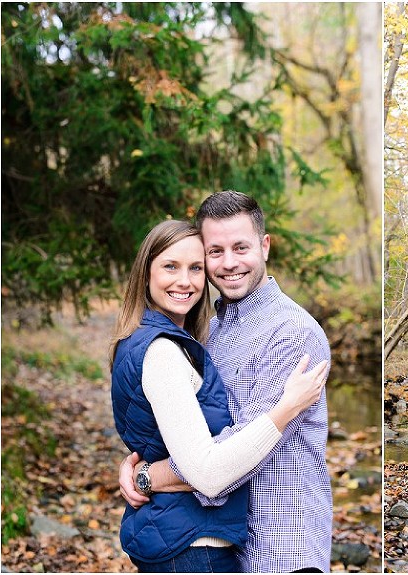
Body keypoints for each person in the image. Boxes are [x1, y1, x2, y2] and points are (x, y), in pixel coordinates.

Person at [120, 191, 333, 573]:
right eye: (215, 252)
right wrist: (142, 463)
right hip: (222, 542)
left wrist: (148, 476)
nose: (229, 263)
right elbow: (192, 430)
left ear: (265, 246)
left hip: (281, 547)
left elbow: (223, 461)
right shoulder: (211, 330)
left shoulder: (293, 334)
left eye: (241, 247)